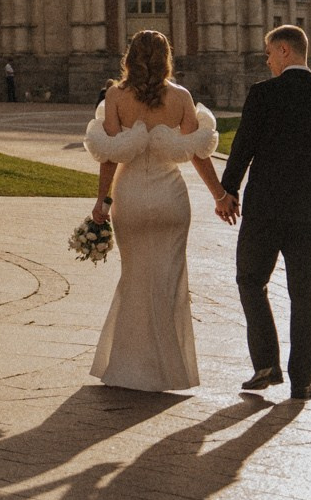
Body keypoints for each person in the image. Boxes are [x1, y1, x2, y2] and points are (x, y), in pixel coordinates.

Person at [83, 30, 226, 392]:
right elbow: (198, 152)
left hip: (130, 196)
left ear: (130, 57)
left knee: (133, 278)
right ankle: (169, 370)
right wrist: (219, 194)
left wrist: (103, 200)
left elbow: (112, 155)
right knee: (169, 282)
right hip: (170, 198)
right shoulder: (181, 97)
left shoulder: (115, 96)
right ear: (167, 59)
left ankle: (129, 368)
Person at [219, 24, 311, 402]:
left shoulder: (262, 94)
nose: (268, 60)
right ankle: (301, 382)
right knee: (305, 297)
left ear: (286, 51)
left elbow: (243, 147)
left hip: (265, 209)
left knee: (250, 280)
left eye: (270, 53)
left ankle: (266, 364)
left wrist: (229, 191)